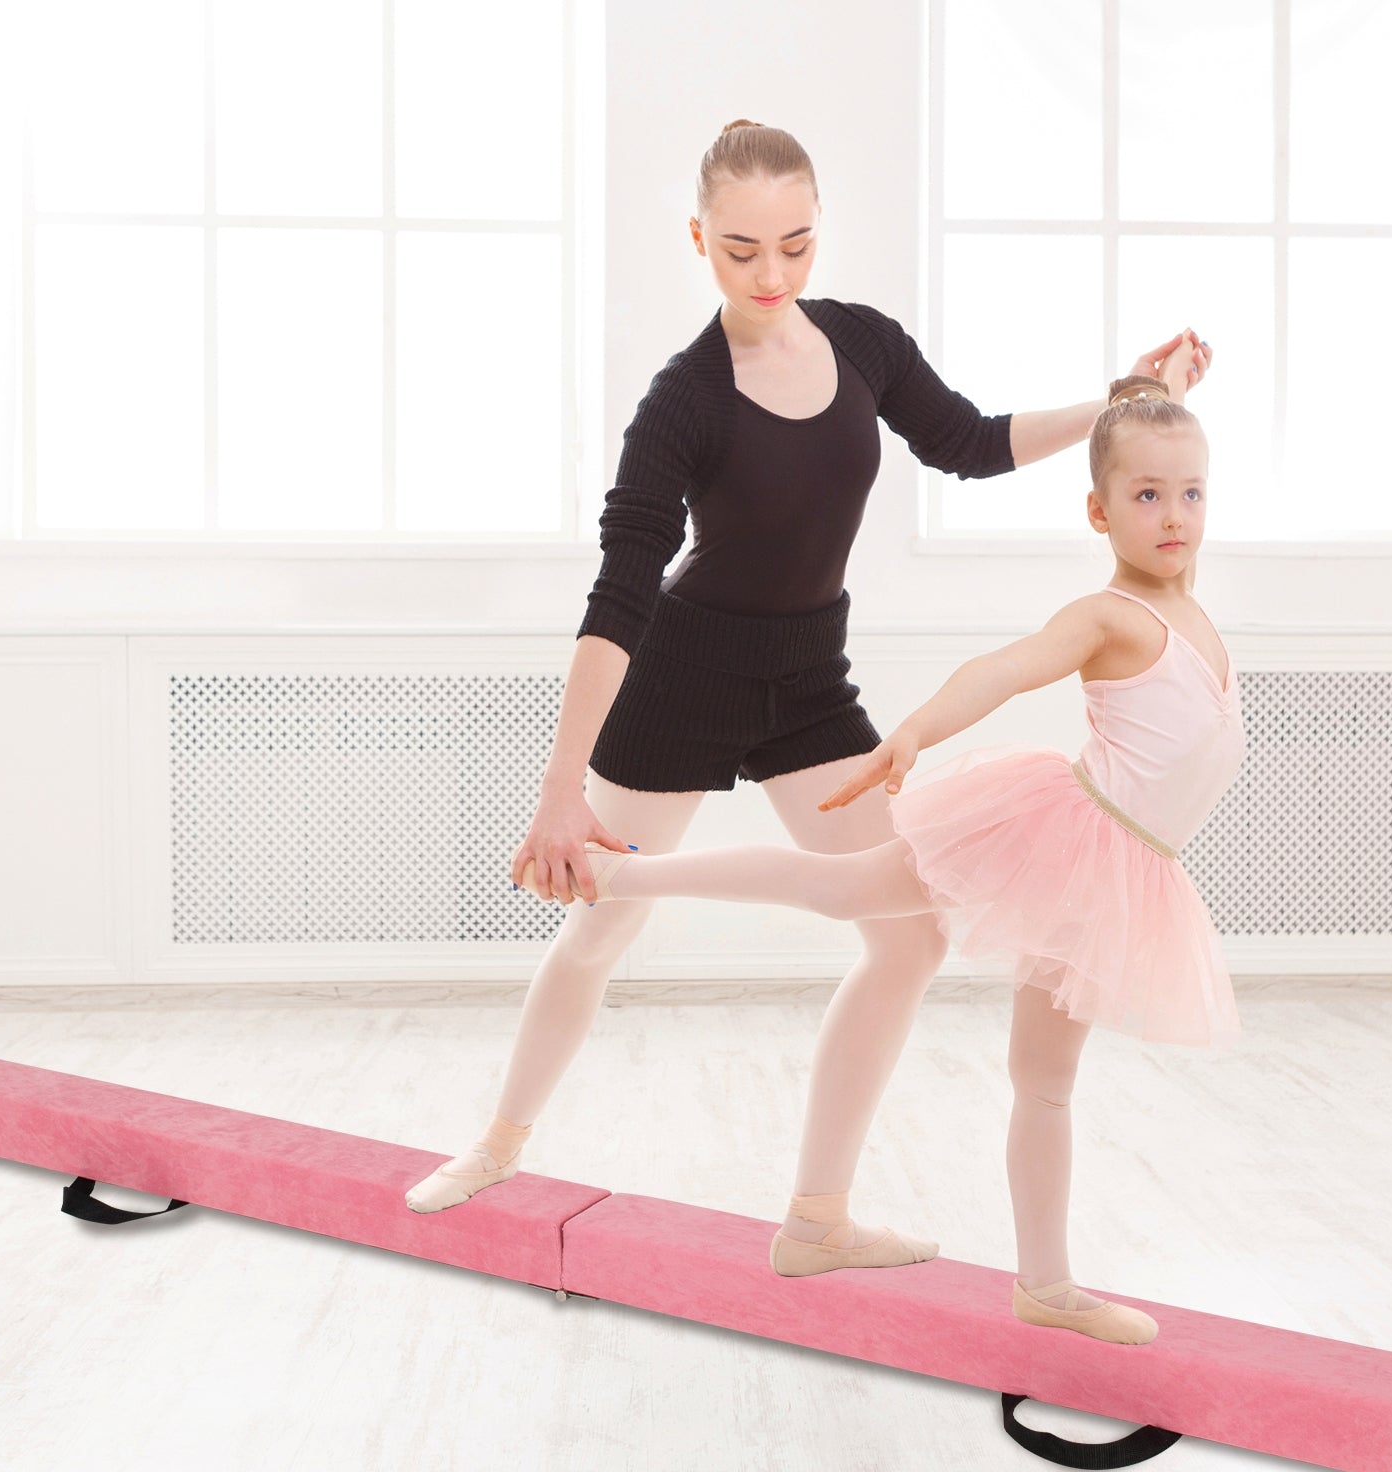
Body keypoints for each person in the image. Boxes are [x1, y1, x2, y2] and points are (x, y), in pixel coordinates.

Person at [405, 120, 1213, 1282]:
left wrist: (1123, 403)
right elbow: (622, 590)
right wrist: (557, 793)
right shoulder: (682, 401)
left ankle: (817, 1218)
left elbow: (970, 444)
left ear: (818, 228)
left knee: (909, 928)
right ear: (699, 240)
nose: (772, 275)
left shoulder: (863, 344)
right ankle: (495, 1144)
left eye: (794, 244)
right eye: (740, 251)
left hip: (806, 681)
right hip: (683, 676)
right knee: (603, 925)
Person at [531, 355, 1244, 1344]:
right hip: (1053, 835)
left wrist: (1142, 394)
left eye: (1191, 492)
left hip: (1118, 877)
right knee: (843, 888)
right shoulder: (1107, 616)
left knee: (1044, 1081)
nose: (1172, 513)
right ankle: (623, 871)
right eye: (1146, 493)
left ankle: (1046, 1284)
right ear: (1099, 513)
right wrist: (916, 732)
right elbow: (1002, 669)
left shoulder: (1194, 614)